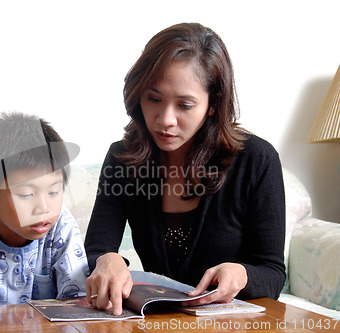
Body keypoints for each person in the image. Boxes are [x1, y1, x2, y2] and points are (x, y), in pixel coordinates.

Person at [84, 22, 286, 315]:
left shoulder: (257, 160)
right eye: (154, 99)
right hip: (155, 321)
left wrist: (242, 273)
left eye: (185, 105)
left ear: (212, 105)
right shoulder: (123, 157)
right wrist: (106, 259)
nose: (165, 119)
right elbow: (94, 251)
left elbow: (272, 273)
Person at [0, 112, 89, 306]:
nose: (43, 208)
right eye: (26, 195)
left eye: (53, 192)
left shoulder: (62, 226)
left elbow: (77, 304)